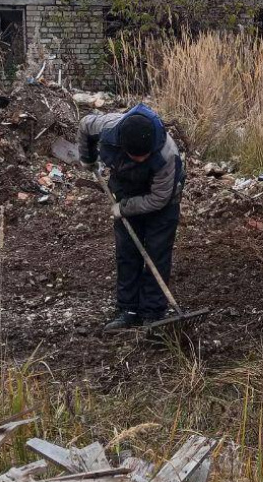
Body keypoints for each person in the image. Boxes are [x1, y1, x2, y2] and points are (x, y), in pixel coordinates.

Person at [78, 104, 186, 330]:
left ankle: (154, 313)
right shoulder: (108, 127)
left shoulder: (167, 155)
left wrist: (125, 208)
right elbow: (85, 125)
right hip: (126, 188)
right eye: (134, 155)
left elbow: (159, 199)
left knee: (156, 252)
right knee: (127, 252)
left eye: (143, 156)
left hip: (163, 201)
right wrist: (88, 158)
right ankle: (129, 309)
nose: (139, 159)